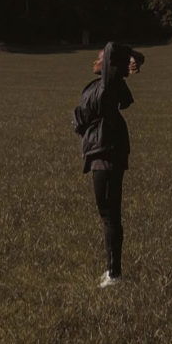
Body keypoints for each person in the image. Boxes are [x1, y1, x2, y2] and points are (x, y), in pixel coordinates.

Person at [73, 41, 145, 287]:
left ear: (108, 65)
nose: (95, 59)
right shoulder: (106, 86)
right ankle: (112, 271)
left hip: (107, 153)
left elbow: (113, 46)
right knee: (108, 214)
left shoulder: (109, 84)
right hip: (101, 152)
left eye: (99, 57)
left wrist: (130, 56)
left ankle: (114, 274)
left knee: (110, 215)